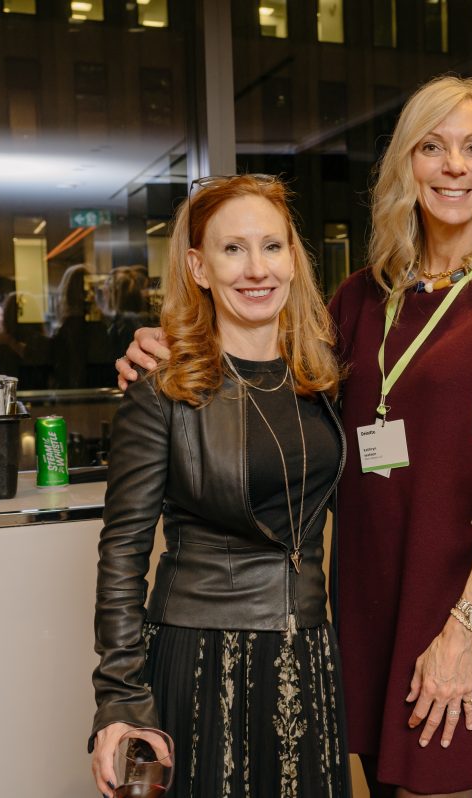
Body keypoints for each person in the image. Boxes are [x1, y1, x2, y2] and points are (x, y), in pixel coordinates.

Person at [115, 76, 472, 798]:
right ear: (406, 164)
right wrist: (164, 344)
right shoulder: (360, 296)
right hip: (356, 605)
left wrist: (465, 631)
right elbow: (262, 352)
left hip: (456, 603)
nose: (455, 166)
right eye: (433, 147)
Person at [90, 174, 350, 798]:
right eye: (233, 249)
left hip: (307, 653)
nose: (257, 268)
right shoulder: (161, 388)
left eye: (272, 246)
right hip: (204, 657)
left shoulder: (320, 377)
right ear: (198, 267)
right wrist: (120, 699)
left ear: (293, 259)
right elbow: (122, 553)